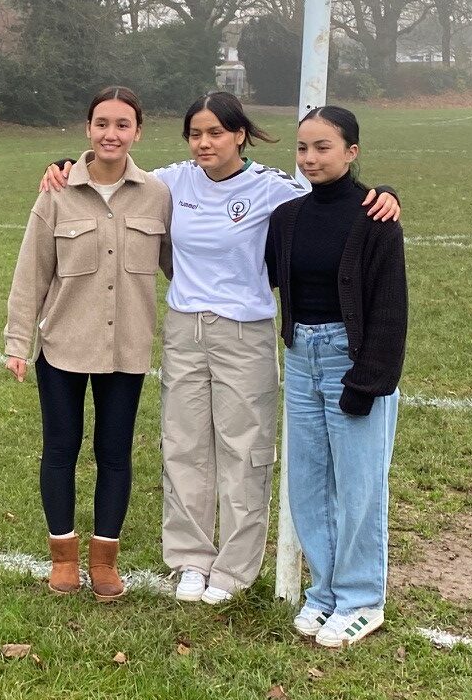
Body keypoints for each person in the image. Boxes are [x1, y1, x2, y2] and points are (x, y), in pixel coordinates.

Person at [43, 92, 399, 601]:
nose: (204, 143)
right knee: (184, 448)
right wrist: (62, 166)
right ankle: (190, 559)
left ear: (239, 135)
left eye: (215, 133)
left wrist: (386, 191)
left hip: (245, 334)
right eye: (195, 134)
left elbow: (334, 192)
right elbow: (112, 172)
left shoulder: (273, 188)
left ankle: (233, 568)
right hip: (185, 329)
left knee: (244, 452)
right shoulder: (171, 182)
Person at [4, 87, 171, 600]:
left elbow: (183, 267)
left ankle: (104, 560)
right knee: (60, 449)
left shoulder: (158, 194)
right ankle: (63, 556)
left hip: (128, 350)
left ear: (137, 132)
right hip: (64, 348)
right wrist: (17, 340)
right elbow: (31, 272)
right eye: (102, 123)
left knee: (115, 453)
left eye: (122, 125)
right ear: (88, 129)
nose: (111, 134)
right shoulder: (55, 192)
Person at [267, 106, 406, 649]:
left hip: (354, 359)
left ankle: (360, 598)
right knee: (307, 482)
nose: (310, 158)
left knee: (359, 484)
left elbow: (391, 309)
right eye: (302, 148)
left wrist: (368, 380)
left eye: (323, 147)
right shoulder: (288, 217)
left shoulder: (375, 216)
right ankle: (323, 592)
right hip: (302, 356)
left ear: (351, 152)